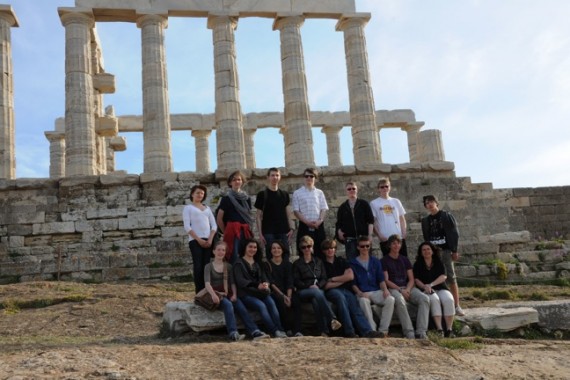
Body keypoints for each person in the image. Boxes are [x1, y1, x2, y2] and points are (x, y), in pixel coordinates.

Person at [203, 241, 270, 341]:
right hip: (216, 294)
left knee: (240, 306)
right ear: (213, 251)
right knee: (228, 305)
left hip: (227, 293)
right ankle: (233, 333)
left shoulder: (229, 266)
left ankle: (255, 331)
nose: (221, 252)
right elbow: (207, 283)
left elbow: (232, 283)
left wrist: (234, 294)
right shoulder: (208, 266)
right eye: (218, 250)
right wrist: (213, 295)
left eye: (223, 250)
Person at [322, 239, 384, 338]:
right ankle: (349, 331)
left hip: (346, 290)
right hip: (332, 291)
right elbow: (326, 285)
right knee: (341, 298)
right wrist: (343, 279)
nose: (330, 250)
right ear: (324, 251)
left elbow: (350, 277)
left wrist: (333, 279)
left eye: (332, 248)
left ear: (335, 249)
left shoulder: (341, 261)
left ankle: (367, 331)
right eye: (327, 248)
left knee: (355, 307)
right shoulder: (322, 265)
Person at [233, 238, 288, 338]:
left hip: (260, 293)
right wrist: (257, 285)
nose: (252, 249)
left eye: (255, 247)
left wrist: (266, 284)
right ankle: (274, 331)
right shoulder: (238, 263)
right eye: (250, 247)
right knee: (261, 306)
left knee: (271, 302)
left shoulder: (258, 263)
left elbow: (264, 278)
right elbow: (241, 281)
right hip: (246, 294)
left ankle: (280, 329)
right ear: (245, 248)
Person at [421, 194, 465, 316]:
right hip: (433, 253)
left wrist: (454, 250)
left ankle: (457, 305)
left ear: (436, 203)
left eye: (431, 201)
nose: (429, 204)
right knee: (434, 277)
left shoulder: (446, 216)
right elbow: (426, 237)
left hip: (445, 250)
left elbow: (454, 233)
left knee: (451, 277)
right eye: (427, 203)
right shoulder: (425, 221)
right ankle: (441, 304)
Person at [382, 234, 430, 339]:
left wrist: (407, 289)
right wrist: (400, 290)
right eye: (394, 243)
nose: (396, 245)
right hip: (394, 288)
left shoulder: (405, 259)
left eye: (398, 243)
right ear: (389, 245)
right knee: (399, 300)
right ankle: (409, 331)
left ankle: (421, 331)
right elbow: (386, 280)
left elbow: (411, 279)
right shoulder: (384, 260)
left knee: (424, 298)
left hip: (408, 287)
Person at [292, 235, 342, 336]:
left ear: (312, 247)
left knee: (316, 300)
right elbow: (296, 281)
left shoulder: (318, 261)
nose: (306, 249)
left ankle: (323, 331)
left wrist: (318, 285)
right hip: (303, 290)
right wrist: (308, 286)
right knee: (316, 293)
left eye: (309, 246)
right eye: (304, 247)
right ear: (301, 249)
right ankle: (332, 318)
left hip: (317, 289)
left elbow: (324, 278)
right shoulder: (297, 264)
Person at [349, 236, 395, 337]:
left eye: (367, 246)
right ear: (358, 247)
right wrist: (360, 293)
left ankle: (383, 330)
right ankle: (372, 330)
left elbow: (381, 279)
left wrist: (385, 290)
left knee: (390, 299)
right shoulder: (352, 263)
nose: (365, 248)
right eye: (362, 246)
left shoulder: (375, 261)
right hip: (362, 292)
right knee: (363, 301)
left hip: (376, 290)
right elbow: (353, 283)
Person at [413, 242, 456, 337]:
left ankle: (449, 329)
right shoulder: (418, 264)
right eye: (423, 250)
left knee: (449, 299)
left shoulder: (439, 262)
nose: (426, 251)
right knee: (434, 299)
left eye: (428, 249)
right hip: (426, 289)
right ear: (421, 252)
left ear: (432, 251)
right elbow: (416, 280)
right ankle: (439, 329)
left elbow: (444, 276)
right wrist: (425, 286)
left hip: (440, 287)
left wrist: (431, 284)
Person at [255, 167, 295, 262]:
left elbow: (289, 213)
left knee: (285, 256)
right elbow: (258, 216)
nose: (275, 177)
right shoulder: (262, 195)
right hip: (268, 232)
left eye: (277, 175)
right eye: (272, 175)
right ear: (268, 177)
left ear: (280, 177)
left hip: (284, 231)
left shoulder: (284, 194)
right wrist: (260, 234)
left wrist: (292, 229)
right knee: (270, 257)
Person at [183, 184, 217, 293]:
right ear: (192, 194)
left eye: (202, 193)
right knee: (198, 266)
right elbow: (187, 226)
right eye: (198, 192)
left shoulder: (207, 208)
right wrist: (198, 239)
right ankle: (199, 292)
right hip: (195, 241)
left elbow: (214, 225)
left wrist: (210, 239)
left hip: (208, 241)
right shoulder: (188, 208)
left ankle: (207, 290)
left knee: (206, 267)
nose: (200, 195)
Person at [264, 241, 303, 336]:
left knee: (297, 302)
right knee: (280, 302)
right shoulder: (266, 264)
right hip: (275, 292)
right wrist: (283, 295)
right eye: (274, 248)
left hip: (288, 291)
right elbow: (271, 282)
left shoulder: (288, 264)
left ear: (282, 250)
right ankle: (286, 329)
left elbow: (290, 281)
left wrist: (288, 296)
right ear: (270, 250)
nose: (276, 250)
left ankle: (297, 330)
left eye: (278, 248)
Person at [216, 170, 254, 264]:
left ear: (242, 182)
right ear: (230, 182)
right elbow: (219, 218)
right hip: (232, 229)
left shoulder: (247, 198)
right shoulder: (226, 198)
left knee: (246, 254)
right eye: (234, 180)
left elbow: (248, 215)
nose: (237, 182)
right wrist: (226, 232)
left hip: (245, 230)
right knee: (233, 255)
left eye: (239, 179)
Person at [292, 168, 329, 259]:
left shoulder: (320, 193)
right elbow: (296, 211)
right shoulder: (297, 193)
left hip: (318, 226)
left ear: (315, 178)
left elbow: (323, 209)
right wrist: (307, 222)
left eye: (311, 176)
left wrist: (319, 221)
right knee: (304, 253)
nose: (309, 178)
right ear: (303, 178)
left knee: (321, 252)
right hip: (304, 226)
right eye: (306, 176)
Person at [335, 181, 374, 260]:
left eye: (353, 188)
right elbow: (339, 223)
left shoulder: (364, 204)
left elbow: (370, 221)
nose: (351, 190)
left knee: (366, 261)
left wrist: (370, 235)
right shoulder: (343, 207)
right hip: (350, 240)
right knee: (352, 263)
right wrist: (339, 232)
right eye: (349, 189)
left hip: (363, 239)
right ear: (346, 191)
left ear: (357, 190)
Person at [370, 178, 408, 256]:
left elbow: (402, 218)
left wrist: (404, 233)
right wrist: (380, 236)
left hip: (399, 237)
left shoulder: (396, 201)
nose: (384, 188)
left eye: (386, 186)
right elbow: (373, 222)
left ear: (390, 187)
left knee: (403, 261)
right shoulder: (374, 203)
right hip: (385, 238)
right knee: (388, 263)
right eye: (382, 187)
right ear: (378, 189)